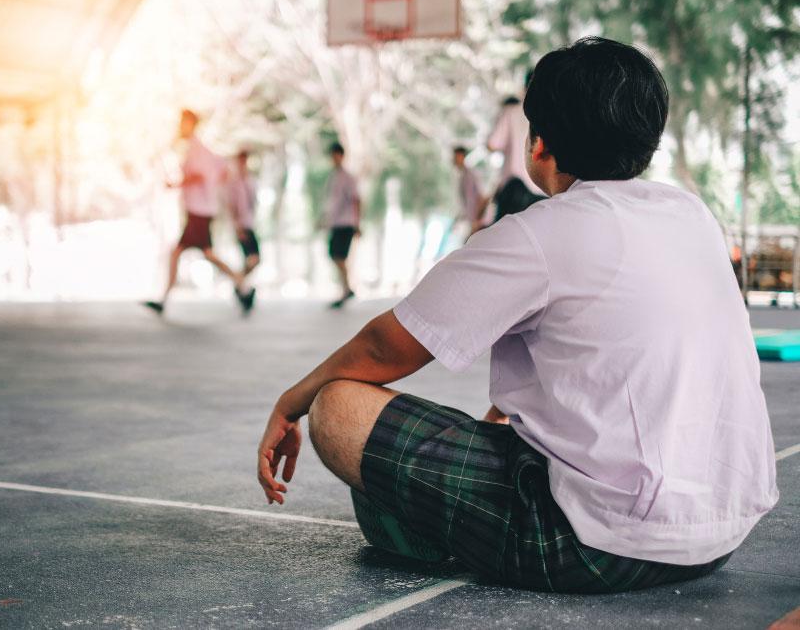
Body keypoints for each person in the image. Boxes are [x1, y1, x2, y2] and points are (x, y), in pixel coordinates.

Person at [257, 37, 778, 593]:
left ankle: (443, 533)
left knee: (340, 406)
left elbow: (386, 348)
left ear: (538, 145)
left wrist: (293, 401)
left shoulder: (541, 233)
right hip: (717, 536)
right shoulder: (689, 214)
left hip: (593, 545)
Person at [144, 110, 254, 315]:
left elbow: (198, 175)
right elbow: (221, 170)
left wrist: (177, 184)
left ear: (190, 124)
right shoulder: (198, 148)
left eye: (182, 123)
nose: (179, 127)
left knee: (182, 252)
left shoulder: (197, 148)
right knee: (203, 253)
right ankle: (242, 286)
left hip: (199, 211)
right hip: (200, 210)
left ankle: (164, 300)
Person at [482, 74, 547, 222]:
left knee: (503, 239)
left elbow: (492, 144)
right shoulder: (553, 117)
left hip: (513, 189)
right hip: (542, 192)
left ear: (525, 88)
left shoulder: (512, 111)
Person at [322, 142, 360, 309]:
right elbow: (331, 203)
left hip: (346, 223)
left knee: (339, 256)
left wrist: (357, 223)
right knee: (335, 255)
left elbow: (356, 200)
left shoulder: (348, 178)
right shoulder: (333, 177)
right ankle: (347, 288)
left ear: (341, 156)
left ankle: (347, 288)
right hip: (336, 223)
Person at [227, 149, 260, 280]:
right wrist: (237, 227)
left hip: (250, 223)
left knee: (253, 259)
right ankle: (238, 281)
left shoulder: (251, 180)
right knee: (253, 258)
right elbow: (232, 207)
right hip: (242, 225)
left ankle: (239, 281)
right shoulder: (234, 183)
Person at [452, 145, 482, 238]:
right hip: (470, 222)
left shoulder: (469, 175)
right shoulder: (463, 176)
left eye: (455, 156)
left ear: (461, 156)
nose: (453, 160)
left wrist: (476, 222)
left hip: (475, 222)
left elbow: (479, 198)